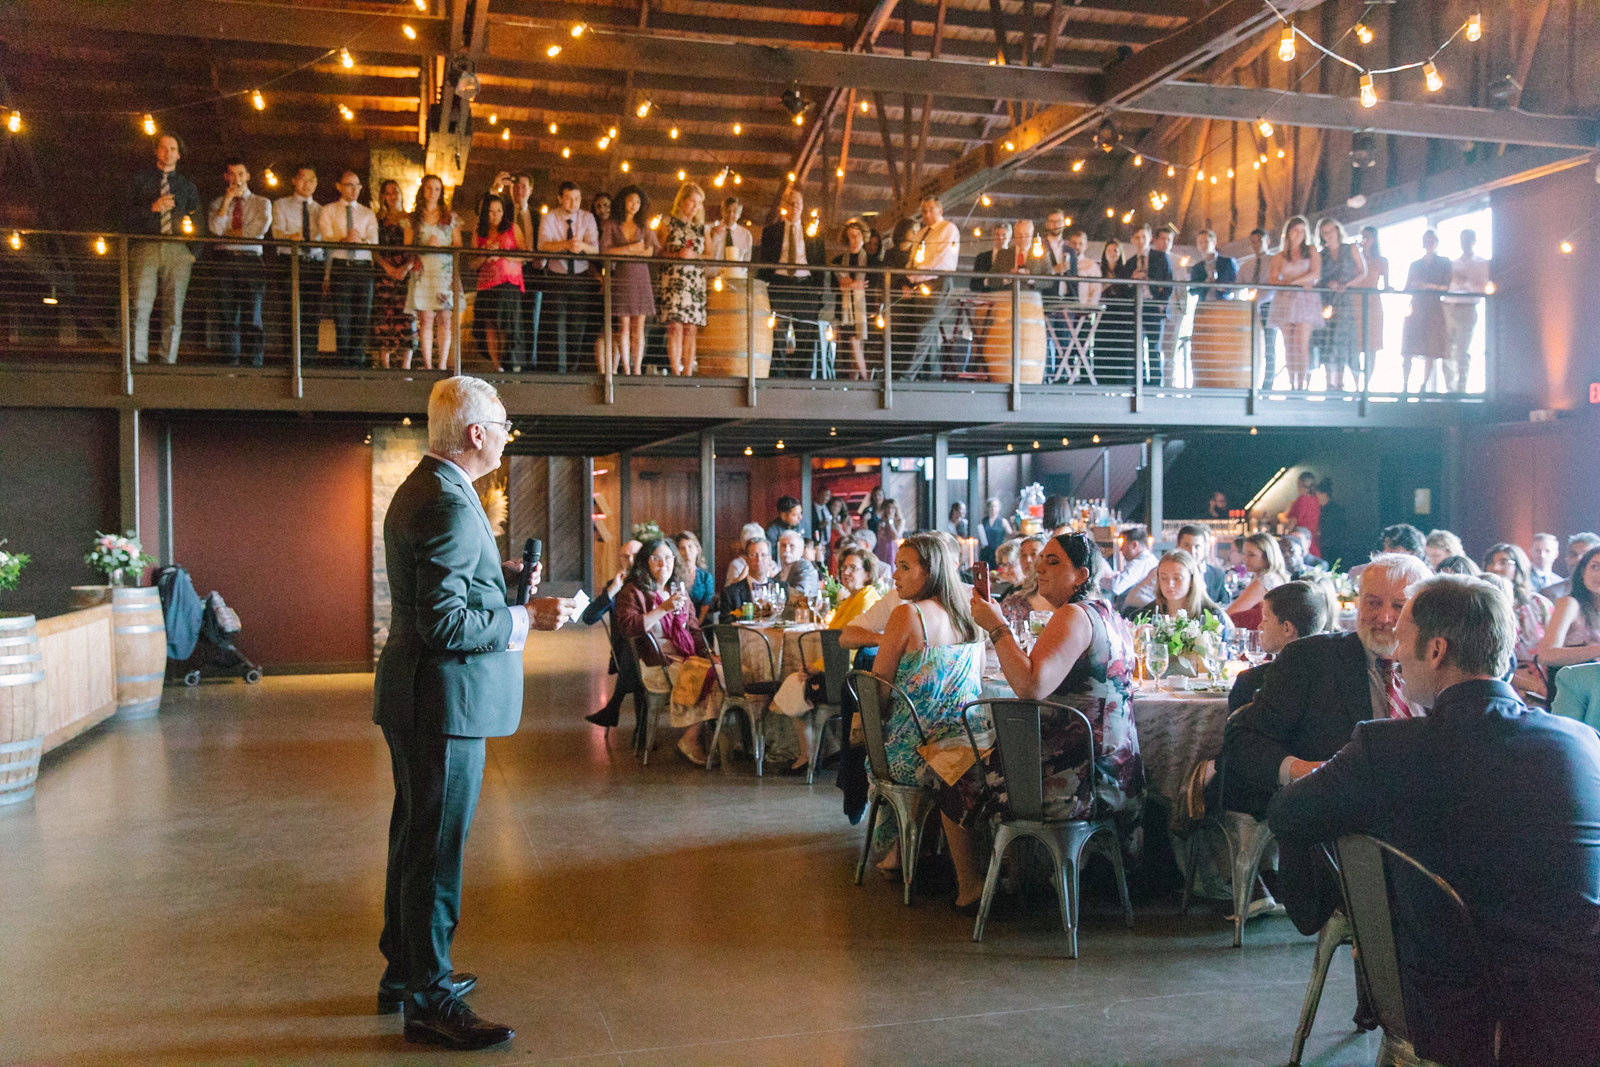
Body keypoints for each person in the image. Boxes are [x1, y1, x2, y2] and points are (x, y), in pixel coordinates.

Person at [1267, 575, 1600, 1067]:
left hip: (1464, 1012)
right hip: (1581, 1006)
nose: (1396, 656)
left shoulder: (1385, 750)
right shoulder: (1580, 742)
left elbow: (1286, 815)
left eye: (1403, 639)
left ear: (1437, 649)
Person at [373, 375, 573, 1049]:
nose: (508, 431)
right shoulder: (451, 505)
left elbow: (450, 589)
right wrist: (523, 615)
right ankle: (428, 998)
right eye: (503, 421)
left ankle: (405, 970)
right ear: (476, 434)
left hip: (414, 694)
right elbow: (447, 625)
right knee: (436, 849)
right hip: (443, 700)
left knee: (413, 836)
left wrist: (501, 575)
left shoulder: (427, 488)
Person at [965, 531, 1143, 910]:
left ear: (1080, 575)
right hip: (1118, 773)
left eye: (1053, 562)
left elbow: (1031, 686)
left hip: (1079, 781)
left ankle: (982, 888)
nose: (1039, 569)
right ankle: (1024, 878)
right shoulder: (1108, 612)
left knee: (955, 770)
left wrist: (996, 627)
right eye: (1040, 559)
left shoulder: (1072, 616)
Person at [1210, 553, 1432, 820]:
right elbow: (1243, 740)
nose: (1384, 617)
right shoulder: (1310, 659)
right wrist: (1301, 770)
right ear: (1358, 601)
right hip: (1336, 826)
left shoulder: (1438, 665)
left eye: (1399, 606)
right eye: (1373, 602)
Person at [865, 534, 983, 884]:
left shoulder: (907, 614)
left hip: (915, 750)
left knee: (872, 746)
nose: (895, 576)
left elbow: (878, 689)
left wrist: (868, 726)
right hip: (966, 742)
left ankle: (902, 850)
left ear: (930, 571)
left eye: (904, 567)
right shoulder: (968, 615)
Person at [614, 537, 712, 763]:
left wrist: (707, 653)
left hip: (683, 658)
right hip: (657, 663)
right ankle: (692, 740)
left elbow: (694, 628)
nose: (663, 564)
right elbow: (628, 627)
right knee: (709, 679)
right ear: (645, 563)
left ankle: (691, 737)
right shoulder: (633, 591)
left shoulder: (677, 590)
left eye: (668, 558)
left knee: (720, 674)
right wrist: (663, 609)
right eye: (656, 558)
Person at [126, 133, 201, 364]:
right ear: (157, 151)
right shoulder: (140, 181)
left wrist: (192, 254)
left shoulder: (187, 187)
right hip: (146, 245)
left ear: (179, 154)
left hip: (177, 249)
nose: (168, 152)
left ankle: (168, 360)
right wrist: (152, 208)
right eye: (163, 148)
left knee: (174, 309)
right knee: (140, 305)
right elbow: (122, 216)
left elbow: (199, 223)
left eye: (172, 148)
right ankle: (137, 359)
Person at [207, 158, 272, 367]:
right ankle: (230, 364)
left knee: (252, 316)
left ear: (248, 176)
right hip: (225, 260)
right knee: (226, 316)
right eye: (232, 174)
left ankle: (254, 363)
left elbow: (257, 230)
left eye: (241, 174)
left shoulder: (262, 202)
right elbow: (216, 231)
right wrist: (227, 202)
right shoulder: (217, 203)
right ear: (226, 177)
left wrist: (232, 233)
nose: (237, 179)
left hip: (250, 260)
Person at [1227, 580, 1329, 711]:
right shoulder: (1336, 676)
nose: (1260, 626)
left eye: (1265, 619)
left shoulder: (1252, 682)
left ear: (1287, 628)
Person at [533, 180, 600, 373]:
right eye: (569, 199)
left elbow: (594, 248)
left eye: (577, 199)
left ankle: (573, 367)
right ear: (560, 198)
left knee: (577, 325)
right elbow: (543, 245)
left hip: (580, 277)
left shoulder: (587, 218)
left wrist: (581, 246)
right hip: (557, 275)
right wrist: (565, 244)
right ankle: (557, 369)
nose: (573, 203)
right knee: (556, 325)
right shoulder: (550, 217)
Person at [757, 187, 825, 377]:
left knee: (806, 334)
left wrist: (817, 291)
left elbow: (820, 262)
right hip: (780, 283)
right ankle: (777, 376)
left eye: (798, 203)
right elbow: (765, 261)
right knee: (778, 333)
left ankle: (801, 377)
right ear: (783, 207)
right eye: (790, 203)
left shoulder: (814, 233)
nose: (794, 207)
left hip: (806, 285)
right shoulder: (772, 232)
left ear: (802, 207)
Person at [317, 170, 379, 367]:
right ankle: (343, 360)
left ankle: (357, 359)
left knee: (362, 315)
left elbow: (374, 241)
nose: (353, 190)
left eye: (357, 186)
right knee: (342, 316)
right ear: (339, 187)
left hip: (362, 267)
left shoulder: (367, 213)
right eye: (349, 185)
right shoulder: (328, 210)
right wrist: (343, 240)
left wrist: (359, 240)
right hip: (341, 266)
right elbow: (325, 238)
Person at [581, 538, 642, 728]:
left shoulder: (650, 584)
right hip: (624, 651)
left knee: (636, 655)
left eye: (635, 556)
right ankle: (639, 730)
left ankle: (613, 708)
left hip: (649, 648)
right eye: (625, 557)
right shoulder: (615, 585)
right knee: (633, 654)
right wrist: (612, 590)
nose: (630, 561)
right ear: (620, 559)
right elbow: (589, 617)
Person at [599, 184, 658, 376]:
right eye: (631, 200)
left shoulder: (644, 225)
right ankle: (625, 367)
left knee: (639, 326)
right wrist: (631, 249)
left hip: (641, 277)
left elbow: (651, 249)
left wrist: (634, 250)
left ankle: (638, 368)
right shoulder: (612, 224)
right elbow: (605, 250)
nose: (634, 205)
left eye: (638, 202)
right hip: (623, 276)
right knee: (623, 325)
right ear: (623, 201)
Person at [270, 164, 324, 364]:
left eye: (311, 180)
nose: (307, 184)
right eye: (302, 178)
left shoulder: (321, 210)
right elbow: (276, 232)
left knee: (312, 313)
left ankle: (309, 360)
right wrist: (290, 237)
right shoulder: (281, 204)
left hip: (314, 263)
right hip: (290, 260)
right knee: (290, 311)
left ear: (316, 183)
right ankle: (291, 360)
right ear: (294, 180)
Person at [903, 194, 960, 380]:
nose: (926, 214)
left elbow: (940, 259)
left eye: (930, 210)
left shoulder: (948, 229)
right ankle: (933, 374)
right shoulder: (920, 233)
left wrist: (918, 271)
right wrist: (910, 276)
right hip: (919, 284)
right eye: (923, 211)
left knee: (926, 328)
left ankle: (908, 376)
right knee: (926, 329)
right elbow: (912, 259)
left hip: (937, 282)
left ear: (939, 210)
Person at [407, 175, 460, 372]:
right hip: (423, 270)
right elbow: (407, 245)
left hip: (443, 272)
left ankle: (442, 363)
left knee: (444, 318)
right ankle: (428, 364)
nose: (433, 193)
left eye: (437, 189)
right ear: (423, 190)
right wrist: (424, 246)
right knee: (425, 319)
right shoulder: (414, 217)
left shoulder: (450, 217)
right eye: (429, 188)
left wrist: (441, 246)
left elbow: (458, 244)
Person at [470, 191, 525, 373]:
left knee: (506, 324)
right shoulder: (479, 232)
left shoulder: (512, 228)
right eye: (492, 211)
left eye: (499, 211)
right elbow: (472, 263)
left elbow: (525, 254)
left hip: (508, 282)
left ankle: (507, 362)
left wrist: (502, 252)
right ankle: (496, 365)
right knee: (490, 325)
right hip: (487, 284)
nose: (496, 215)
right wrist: (486, 253)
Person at [1536, 544, 1600, 697]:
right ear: (1582, 572)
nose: (1598, 574)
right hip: (1571, 695)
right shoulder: (1570, 604)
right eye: (1594, 567)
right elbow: (1546, 654)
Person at [658, 183, 707, 376]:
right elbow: (657, 252)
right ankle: (675, 371)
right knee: (675, 327)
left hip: (694, 282)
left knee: (691, 328)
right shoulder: (667, 224)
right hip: (674, 279)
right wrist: (677, 255)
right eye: (692, 202)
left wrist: (693, 257)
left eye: (699, 203)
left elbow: (710, 254)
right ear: (682, 201)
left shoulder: (702, 229)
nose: (695, 207)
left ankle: (687, 371)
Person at [1267, 215, 1321, 392]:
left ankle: (1302, 385)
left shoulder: (1311, 250)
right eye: (1296, 230)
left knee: (1301, 343)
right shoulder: (1280, 256)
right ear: (1288, 232)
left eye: (1302, 231)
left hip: (1305, 300)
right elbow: (1273, 278)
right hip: (1285, 300)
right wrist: (1291, 283)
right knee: (1288, 345)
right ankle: (1292, 384)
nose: (1299, 234)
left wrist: (1294, 281)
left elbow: (1315, 273)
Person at [1311, 217, 1365, 392]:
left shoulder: (1350, 249)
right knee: (1328, 339)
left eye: (1331, 231)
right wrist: (1327, 285)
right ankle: (1330, 384)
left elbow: (1362, 271)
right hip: (1327, 300)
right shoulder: (1322, 254)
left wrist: (1346, 285)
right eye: (1324, 233)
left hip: (1345, 299)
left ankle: (1353, 385)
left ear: (1337, 230)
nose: (1329, 235)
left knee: (1346, 339)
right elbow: (1317, 277)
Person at [1483, 543, 1553, 674]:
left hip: (1540, 674)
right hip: (1498, 673)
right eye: (1490, 562)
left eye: (1504, 562)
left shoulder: (1539, 603)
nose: (1495, 568)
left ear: (1519, 566)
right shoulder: (1481, 603)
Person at [371, 179, 417, 370]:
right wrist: (386, 267)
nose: (392, 196)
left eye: (395, 192)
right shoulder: (377, 220)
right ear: (383, 197)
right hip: (384, 272)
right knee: (384, 315)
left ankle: (406, 365)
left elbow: (415, 247)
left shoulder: (409, 218)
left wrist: (406, 267)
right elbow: (373, 247)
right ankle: (386, 364)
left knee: (406, 316)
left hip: (405, 272)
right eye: (388, 193)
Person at [1399, 229, 1450, 392]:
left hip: (1434, 307)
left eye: (1432, 240)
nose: (1429, 243)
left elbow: (1447, 286)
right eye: (1426, 240)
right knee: (1408, 347)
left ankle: (1424, 385)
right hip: (1417, 306)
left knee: (1431, 348)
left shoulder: (1444, 262)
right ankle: (1405, 385)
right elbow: (1407, 286)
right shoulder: (1415, 264)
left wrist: (1428, 286)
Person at [1442, 228, 1490, 393]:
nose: (1464, 243)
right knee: (1447, 350)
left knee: (1462, 350)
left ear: (1474, 241)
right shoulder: (1453, 263)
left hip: (1467, 308)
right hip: (1449, 307)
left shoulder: (1482, 263)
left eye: (1468, 239)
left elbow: (1483, 287)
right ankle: (1449, 388)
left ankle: (1461, 388)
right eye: (1462, 239)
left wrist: (1466, 282)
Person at [1129, 549, 1227, 625]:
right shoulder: (1144, 616)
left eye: (1177, 578)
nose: (1170, 584)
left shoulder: (1212, 616)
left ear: (1191, 581)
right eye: (1163, 578)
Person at [831, 218, 873, 380]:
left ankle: (857, 381)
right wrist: (852, 284)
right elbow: (836, 285)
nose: (854, 239)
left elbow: (872, 283)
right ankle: (866, 379)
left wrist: (854, 284)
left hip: (865, 309)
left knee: (857, 345)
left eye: (857, 235)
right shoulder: (838, 261)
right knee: (854, 344)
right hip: (846, 310)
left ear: (863, 236)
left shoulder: (871, 261)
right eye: (851, 236)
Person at [1225, 532, 1290, 631]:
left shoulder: (1265, 581)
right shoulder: (1275, 577)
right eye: (1244, 554)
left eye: (1251, 555)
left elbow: (1229, 613)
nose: (1245, 559)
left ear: (1267, 557)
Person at [1238, 228, 1277, 388]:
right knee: (1251, 346)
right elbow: (1236, 285)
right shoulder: (1246, 265)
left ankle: (1268, 384)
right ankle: (1250, 382)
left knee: (1269, 346)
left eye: (1259, 241)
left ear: (1267, 241)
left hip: (1270, 305)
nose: (1256, 245)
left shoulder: (1275, 261)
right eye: (1253, 242)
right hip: (1251, 307)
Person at [1351, 226, 1387, 380]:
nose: (1365, 240)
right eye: (1363, 237)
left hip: (1373, 304)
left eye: (1368, 237)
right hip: (1355, 303)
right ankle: (1356, 383)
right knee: (1354, 344)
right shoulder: (1353, 259)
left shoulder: (1381, 261)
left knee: (1371, 346)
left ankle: (1367, 384)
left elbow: (1386, 285)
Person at [719, 536, 784, 620]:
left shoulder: (782, 588)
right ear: (746, 559)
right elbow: (725, 627)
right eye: (753, 555)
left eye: (763, 555)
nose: (759, 559)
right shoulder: (730, 593)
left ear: (769, 559)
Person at [1101, 524, 1157, 608]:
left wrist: (1097, 579)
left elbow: (1116, 586)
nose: (1121, 549)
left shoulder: (1140, 562)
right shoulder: (1150, 559)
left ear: (1134, 545)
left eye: (1123, 544)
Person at [705, 195, 752, 284]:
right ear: (722, 211)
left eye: (734, 211)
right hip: (712, 278)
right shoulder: (710, 230)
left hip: (736, 280)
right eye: (727, 210)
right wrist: (712, 236)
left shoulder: (746, 235)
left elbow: (747, 261)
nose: (730, 214)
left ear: (739, 214)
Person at [1277, 470, 1321, 557]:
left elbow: (1290, 525)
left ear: (1299, 484)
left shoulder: (1301, 501)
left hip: (1300, 543)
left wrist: (1280, 516)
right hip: (1313, 544)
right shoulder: (1315, 500)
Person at [1545, 532, 1600, 601]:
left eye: (1585, 555)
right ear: (1566, 558)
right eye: (1573, 554)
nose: (1578, 559)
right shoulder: (1551, 594)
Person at [724, 522, 774, 587]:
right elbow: (729, 589)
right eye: (751, 542)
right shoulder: (736, 564)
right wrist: (742, 576)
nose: (756, 544)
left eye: (759, 540)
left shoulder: (772, 563)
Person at [774, 529, 821, 597]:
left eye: (792, 546)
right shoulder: (777, 576)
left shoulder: (805, 567)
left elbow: (799, 595)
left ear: (801, 551)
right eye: (783, 545)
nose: (787, 549)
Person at [970, 222, 1013, 292]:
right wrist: (988, 281)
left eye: (1003, 235)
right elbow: (974, 285)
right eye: (997, 235)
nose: (1000, 238)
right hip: (986, 298)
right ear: (993, 237)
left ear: (1010, 238)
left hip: (1008, 298)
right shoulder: (981, 258)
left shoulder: (1014, 257)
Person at [975, 497, 1013, 566]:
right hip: (985, 553)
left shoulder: (1003, 521)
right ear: (988, 508)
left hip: (998, 552)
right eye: (991, 506)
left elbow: (1010, 535)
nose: (993, 509)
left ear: (999, 508)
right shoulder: (984, 521)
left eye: (995, 506)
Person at [873, 499, 905, 567]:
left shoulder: (900, 521)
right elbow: (879, 536)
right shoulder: (882, 520)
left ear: (896, 509)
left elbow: (895, 536)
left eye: (892, 507)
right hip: (882, 548)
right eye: (888, 507)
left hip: (893, 549)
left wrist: (890, 521)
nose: (890, 510)